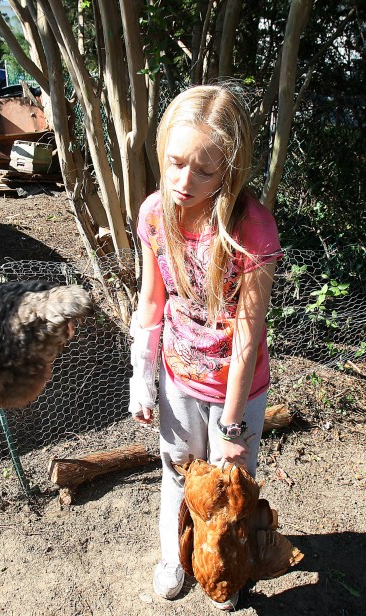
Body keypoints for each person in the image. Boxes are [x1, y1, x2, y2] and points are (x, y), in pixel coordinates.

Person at [128, 84, 282, 611]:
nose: (182, 182)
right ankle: (175, 554)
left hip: (236, 390)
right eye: (174, 163)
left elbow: (248, 330)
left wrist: (234, 425)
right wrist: (142, 374)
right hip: (178, 378)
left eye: (203, 171)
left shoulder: (252, 228)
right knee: (177, 474)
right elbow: (151, 300)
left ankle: (224, 570)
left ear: (231, 170)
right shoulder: (155, 214)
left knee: (227, 489)